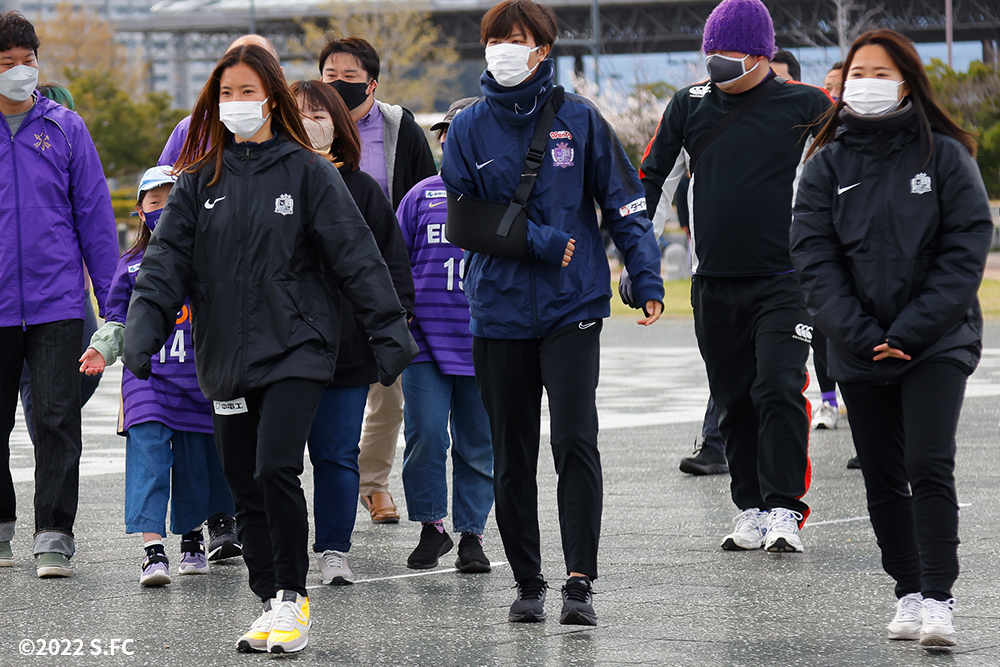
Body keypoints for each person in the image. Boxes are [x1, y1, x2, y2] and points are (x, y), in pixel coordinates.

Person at [122, 44, 416, 654]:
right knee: (241, 479)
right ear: (212, 102)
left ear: (274, 97)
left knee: (274, 466)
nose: (237, 104)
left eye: (248, 92)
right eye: (226, 94)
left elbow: (356, 255)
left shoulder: (309, 171)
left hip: (298, 348)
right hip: (226, 356)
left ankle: (292, 596)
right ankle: (267, 600)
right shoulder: (199, 180)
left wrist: (390, 334)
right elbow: (163, 266)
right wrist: (141, 333)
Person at [441, 0, 664, 627]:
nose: (506, 48)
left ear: (544, 49)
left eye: (520, 39)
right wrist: (539, 241)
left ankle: (578, 582)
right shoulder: (466, 128)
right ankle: (528, 581)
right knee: (511, 453)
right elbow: (463, 220)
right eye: (497, 39)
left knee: (574, 441)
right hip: (498, 313)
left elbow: (623, 206)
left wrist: (643, 275)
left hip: (574, 309)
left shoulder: (582, 121)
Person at [790, 29, 992, 650]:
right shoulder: (825, 161)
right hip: (857, 342)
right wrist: (858, 332)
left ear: (906, 81)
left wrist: (907, 332)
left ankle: (939, 598)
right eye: (857, 72)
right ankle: (907, 589)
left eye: (879, 73)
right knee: (881, 473)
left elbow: (965, 250)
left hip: (935, 342)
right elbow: (812, 254)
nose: (865, 83)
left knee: (928, 463)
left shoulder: (946, 156)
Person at [639, 0, 831, 554]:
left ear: (759, 55)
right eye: (710, 53)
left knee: (777, 387)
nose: (716, 62)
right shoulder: (689, 104)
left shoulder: (810, 104)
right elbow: (655, 177)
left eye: (728, 53)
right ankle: (750, 507)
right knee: (734, 398)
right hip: (713, 279)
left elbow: (849, 177)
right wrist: (638, 257)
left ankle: (786, 509)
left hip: (784, 277)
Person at [0, 11, 119, 577]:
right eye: (7, 64)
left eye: (28, 62)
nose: (20, 73)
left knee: (56, 419)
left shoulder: (65, 127)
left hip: (58, 304)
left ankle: (54, 532)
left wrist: (113, 309)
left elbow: (96, 220)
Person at [79, 166, 237, 586]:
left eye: (171, 200)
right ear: (140, 210)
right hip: (147, 379)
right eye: (154, 202)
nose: (163, 209)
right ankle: (152, 551)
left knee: (193, 464)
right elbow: (117, 319)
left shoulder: (208, 259)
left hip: (198, 380)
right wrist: (102, 348)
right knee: (149, 458)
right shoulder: (130, 265)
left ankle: (191, 541)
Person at [289, 79, 415, 585]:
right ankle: (283, 548)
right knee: (278, 458)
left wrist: (394, 319)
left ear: (338, 123)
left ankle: (334, 549)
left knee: (337, 454)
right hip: (282, 346)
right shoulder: (269, 184)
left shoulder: (363, 188)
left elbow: (392, 263)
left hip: (347, 345)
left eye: (319, 112)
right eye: (297, 112)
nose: (309, 121)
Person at [319, 36, 438, 524]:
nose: (339, 86)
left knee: (387, 387)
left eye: (350, 78)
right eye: (330, 77)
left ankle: (373, 484)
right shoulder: (303, 124)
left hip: (382, 270)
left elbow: (426, 194)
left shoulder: (397, 126)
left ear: (372, 82)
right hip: (320, 277)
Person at [398, 97, 495, 573]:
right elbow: (395, 263)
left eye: (460, 131)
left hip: (484, 341)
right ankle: (431, 527)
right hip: (424, 345)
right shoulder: (419, 197)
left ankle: (472, 533)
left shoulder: (498, 195)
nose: (448, 140)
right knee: (426, 435)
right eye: (444, 133)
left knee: (478, 442)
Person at [17, 82, 103, 444]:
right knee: (36, 391)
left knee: (84, 374)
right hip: (21, 297)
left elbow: (93, 218)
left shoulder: (71, 138)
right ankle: (46, 433)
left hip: (71, 292)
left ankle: (51, 425)